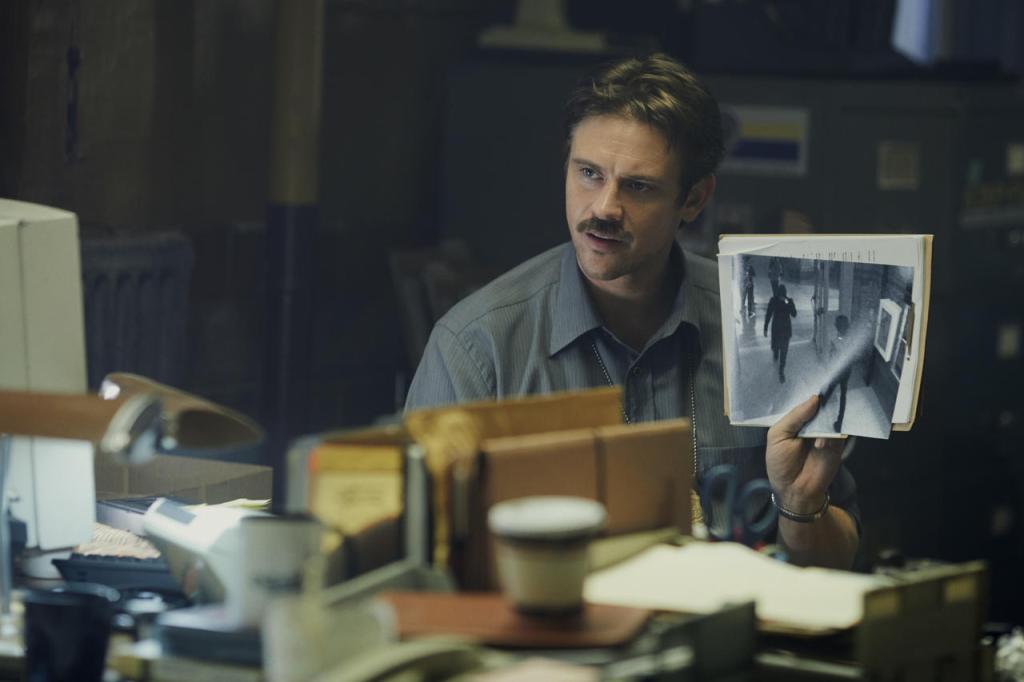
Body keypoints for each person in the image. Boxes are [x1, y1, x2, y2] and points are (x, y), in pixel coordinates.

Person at [405, 53, 859, 568]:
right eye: (589, 174)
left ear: (693, 199)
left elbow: (838, 555)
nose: (603, 208)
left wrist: (799, 507)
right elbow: (418, 563)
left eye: (638, 187)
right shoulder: (476, 347)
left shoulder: (761, 327)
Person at [820, 315, 853, 433]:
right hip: (847, 371)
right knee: (843, 394)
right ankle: (839, 422)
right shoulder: (851, 339)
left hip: (837, 371)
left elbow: (831, 358)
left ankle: (821, 403)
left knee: (830, 387)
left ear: (837, 327)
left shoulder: (834, 341)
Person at [764, 284, 797, 383]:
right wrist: (765, 327)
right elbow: (769, 314)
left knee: (781, 350)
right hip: (781, 330)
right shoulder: (777, 300)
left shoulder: (783, 301)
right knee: (780, 349)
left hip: (781, 330)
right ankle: (777, 358)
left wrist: (765, 327)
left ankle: (780, 368)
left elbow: (794, 314)